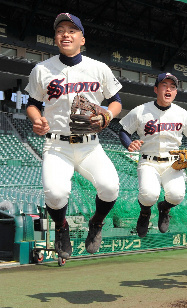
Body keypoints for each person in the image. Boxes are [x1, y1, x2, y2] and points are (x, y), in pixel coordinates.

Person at [25, 13, 122, 259]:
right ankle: (62, 227)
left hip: (91, 146)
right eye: (60, 30)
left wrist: (108, 116)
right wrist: (37, 119)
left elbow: (115, 102)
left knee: (110, 188)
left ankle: (97, 223)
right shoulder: (42, 69)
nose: (65, 34)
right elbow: (33, 104)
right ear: (56, 39)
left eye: (72, 30)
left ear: (82, 39)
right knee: (55, 195)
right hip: (57, 146)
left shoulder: (98, 68)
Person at [119, 73, 187, 237]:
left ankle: (165, 208)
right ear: (156, 89)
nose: (168, 89)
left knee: (176, 196)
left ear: (175, 93)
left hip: (173, 163)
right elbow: (124, 131)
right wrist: (129, 143)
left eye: (173, 87)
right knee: (149, 195)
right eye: (164, 85)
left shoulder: (182, 113)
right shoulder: (141, 110)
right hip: (148, 161)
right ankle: (145, 213)